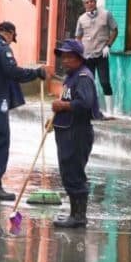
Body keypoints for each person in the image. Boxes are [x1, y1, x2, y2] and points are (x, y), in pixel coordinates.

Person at [0, 21, 48, 201]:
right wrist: (36, 73)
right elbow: (12, 72)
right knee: (0, 143)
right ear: (8, 33)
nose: (12, 42)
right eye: (13, 38)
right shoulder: (1, 48)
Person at [50, 39, 101, 228]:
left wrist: (63, 105)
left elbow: (85, 103)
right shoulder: (70, 77)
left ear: (79, 58)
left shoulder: (83, 77)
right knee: (67, 172)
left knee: (74, 173)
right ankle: (74, 213)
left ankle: (79, 216)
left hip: (77, 132)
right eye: (63, 57)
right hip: (66, 130)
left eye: (69, 57)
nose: (64, 61)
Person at [75, 0, 118, 118]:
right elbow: (78, 36)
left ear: (95, 2)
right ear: (84, 5)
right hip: (87, 55)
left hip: (101, 54)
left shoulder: (106, 14)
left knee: (105, 82)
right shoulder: (81, 18)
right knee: (89, 83)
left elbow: (115, 30)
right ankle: (91, 110)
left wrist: (108, 45)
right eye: (87, 2)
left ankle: (110, 111)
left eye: (91, 1)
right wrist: (79, 50)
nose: (90, 4)